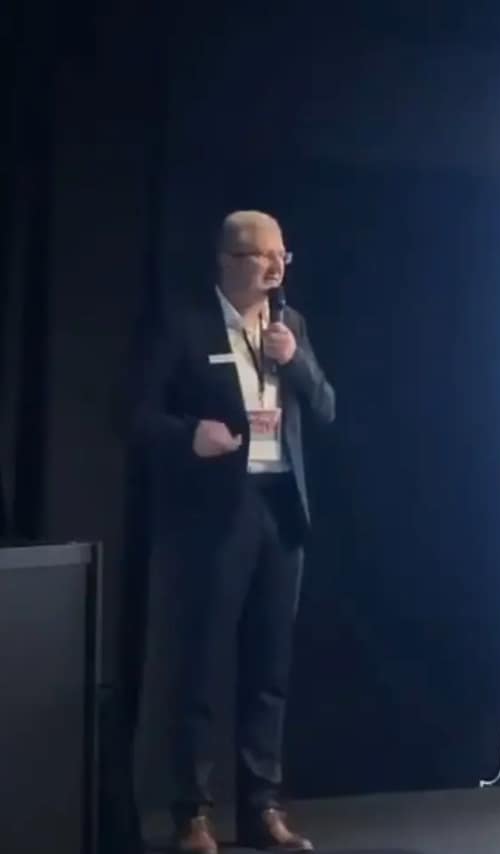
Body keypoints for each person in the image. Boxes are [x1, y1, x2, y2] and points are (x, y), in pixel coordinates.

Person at [129, 211, 335, 853]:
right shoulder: (185, 325)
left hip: (280, 510)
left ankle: (261, 807)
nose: (275, 267)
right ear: (227, 261)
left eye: (282, 256)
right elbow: (133, 414)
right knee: (201, 664)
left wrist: (295, 362)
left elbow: (326, 407)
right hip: (217, 512)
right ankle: (193, 813)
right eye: (262, 256)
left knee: (269, 668)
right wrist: (190, 435)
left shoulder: (290, 324)